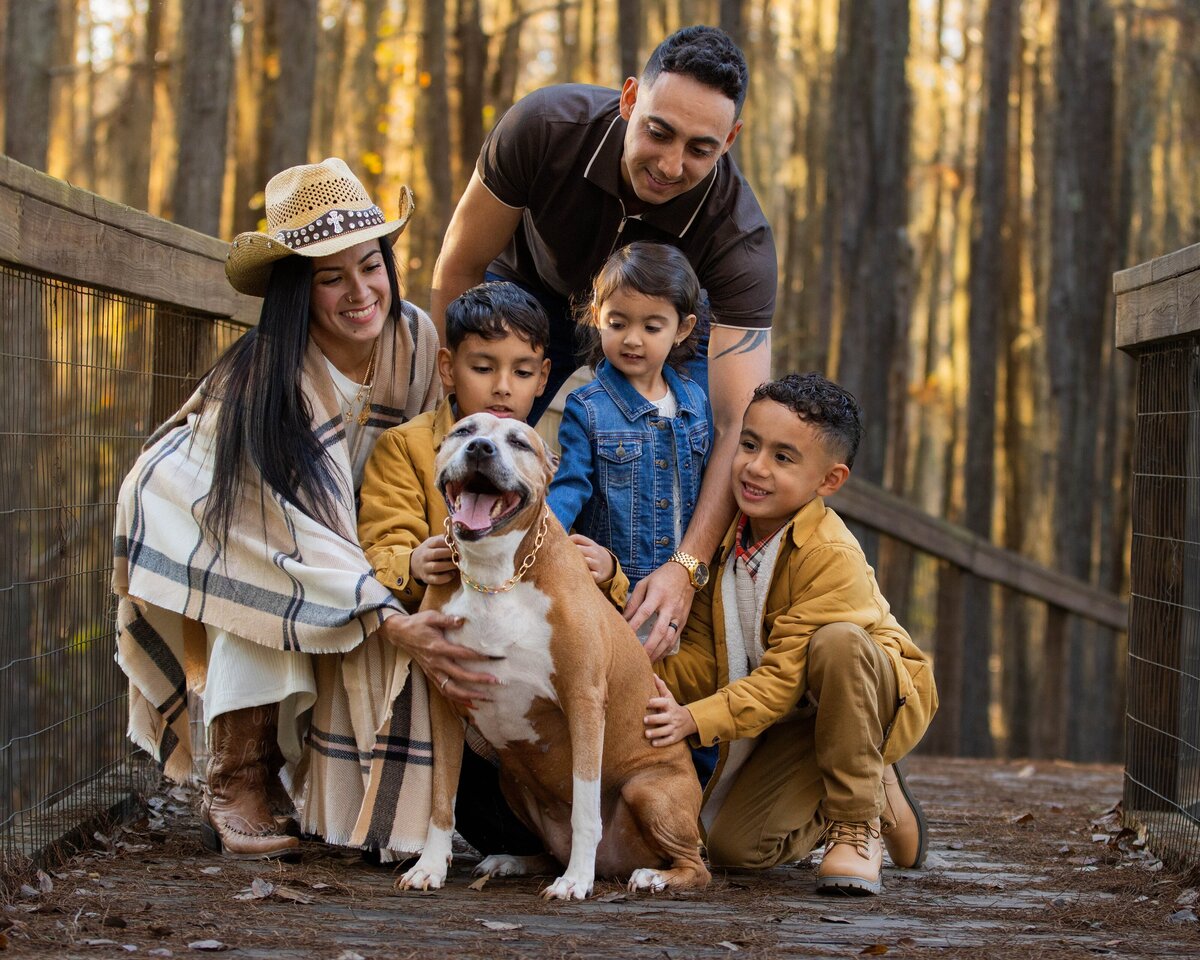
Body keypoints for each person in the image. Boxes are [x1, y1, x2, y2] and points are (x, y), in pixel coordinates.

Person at [112, 158, 497, 862]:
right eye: (331, 277)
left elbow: (423, 464)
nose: (360, 293)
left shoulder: (415, 342)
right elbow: (289, 532)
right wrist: (386, 611)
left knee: (364, 597)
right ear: (298, 290)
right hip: (227, 528)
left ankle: (350, 792)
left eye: (370, 265)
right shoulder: (266, 378)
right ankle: (236, 777)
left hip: (355, 536)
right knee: (268, 587)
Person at [431, 25, 776, 659]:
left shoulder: (740, 239)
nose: (671, 165)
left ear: (729, 141)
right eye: (658, 131)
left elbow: (737, 424)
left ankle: (613, 631)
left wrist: (686, 567)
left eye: (701, 148)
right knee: (494, 463)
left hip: (666, 341)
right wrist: (459, 412)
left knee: (679, 445)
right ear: (628, 100)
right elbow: (458, 269)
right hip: (528, 302)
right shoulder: (543, 127)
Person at [357, 281, 627, 857]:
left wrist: (609, 573)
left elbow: (574, 591)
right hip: (450, 683)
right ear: (449, 368)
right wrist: (408, 562)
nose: (503, 387)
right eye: (484, 367)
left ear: (544, 375)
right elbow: (379, 547)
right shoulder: (408, 449)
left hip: (533, 717)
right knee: (497, 825)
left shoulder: (537, 459)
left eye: (524, 373)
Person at [643, 373, 938, 895]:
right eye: (750, 445)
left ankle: (857, 819)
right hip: (801, 712)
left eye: (784, 457)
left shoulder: (829, 554)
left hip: (870, 692)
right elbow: (706, 662)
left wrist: (693, 720)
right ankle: (872, 776)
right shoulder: (725, 542)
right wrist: (619, 604)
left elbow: (780, 681)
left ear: (829, 480)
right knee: (733, 848)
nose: (756, 467)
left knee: (839, 641)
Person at [546, 242, 711, 647]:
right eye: (617, 324)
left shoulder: (695, 402)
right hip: (617, 593)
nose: (632, 339)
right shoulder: (588, 409)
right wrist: (541, 539)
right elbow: (570, 487)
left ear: (682, 329)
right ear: (597, 318)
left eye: (652, 328)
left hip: (686, 594)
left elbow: (708, 488)